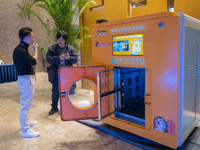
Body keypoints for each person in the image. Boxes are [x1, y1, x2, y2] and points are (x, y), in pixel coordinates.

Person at [13, 27, 39, 138]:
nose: (33, 39)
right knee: (25, 106)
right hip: (25, 80)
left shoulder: (22, 48)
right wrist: (36, 50)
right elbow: (33, 61)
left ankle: (27, 122)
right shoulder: (20, 50)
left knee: (27, 105)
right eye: (32, 37)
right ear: (27, 38)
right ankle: (25, 130)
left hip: (26, 79)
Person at [46, 31, 77, 115]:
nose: (60, 41)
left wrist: (69, 58)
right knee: (55, 91)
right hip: (56, 73)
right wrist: (58, 58)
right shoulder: (52, 48)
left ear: (65, 40)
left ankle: (66, 107)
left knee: (66, 91)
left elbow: (75, 59)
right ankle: (54, 107)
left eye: (62, 40)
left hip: (67, 74)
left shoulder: (70, 48)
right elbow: (48, 59)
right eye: (58, 39)